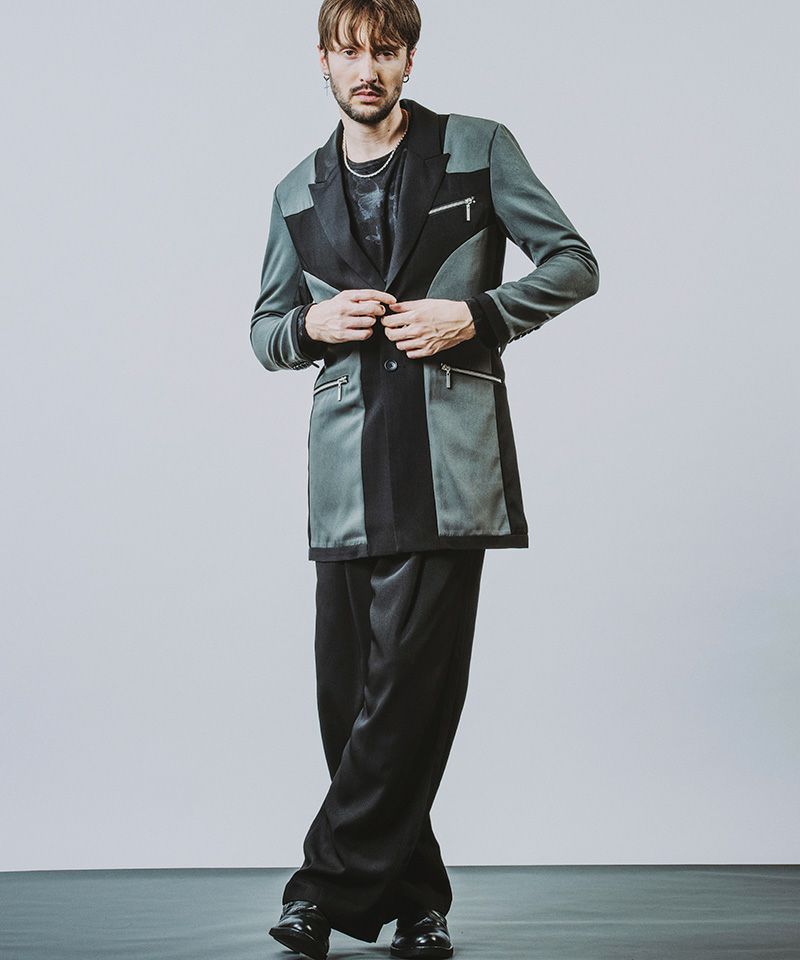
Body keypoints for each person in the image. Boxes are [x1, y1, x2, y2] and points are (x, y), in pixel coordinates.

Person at [249, 2, 599, 957]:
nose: (368, 67)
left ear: (408, 60)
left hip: (448, 464)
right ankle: (419, 903)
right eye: (350, 51)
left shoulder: (478, 150)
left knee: (407, 691)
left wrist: (477, 315)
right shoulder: (294, 192)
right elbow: (265, 330)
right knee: (351, 703)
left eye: (386, 50)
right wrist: (309, 327)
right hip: (345, 476)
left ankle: (319, 889)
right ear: (323, 61)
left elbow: (575, 264)